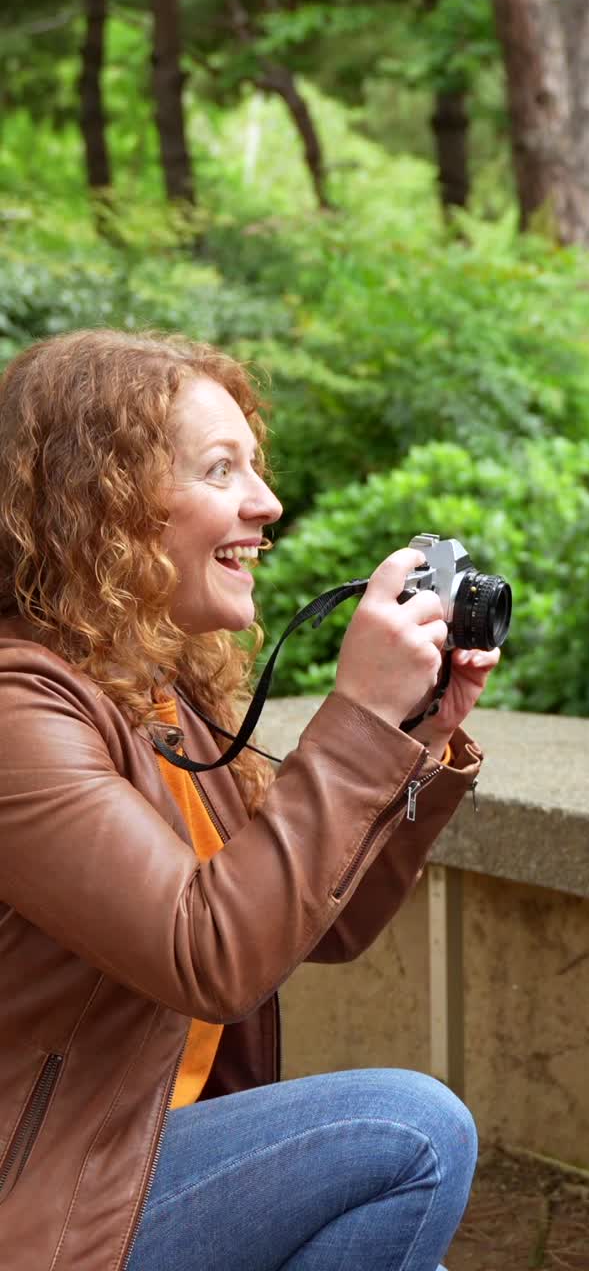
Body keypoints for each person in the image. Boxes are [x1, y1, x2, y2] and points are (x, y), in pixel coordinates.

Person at [0, 329, 500, 1271]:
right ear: (94, 504)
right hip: (46, 1202)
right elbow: (209, 956)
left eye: (256, 468)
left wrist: (415, 737)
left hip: (136, 1157)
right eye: (220, 469)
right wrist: (358, 718)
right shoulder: (18, 714)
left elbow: (321, 926)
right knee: (411, 1130)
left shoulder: (162, 700)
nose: (266, 504)